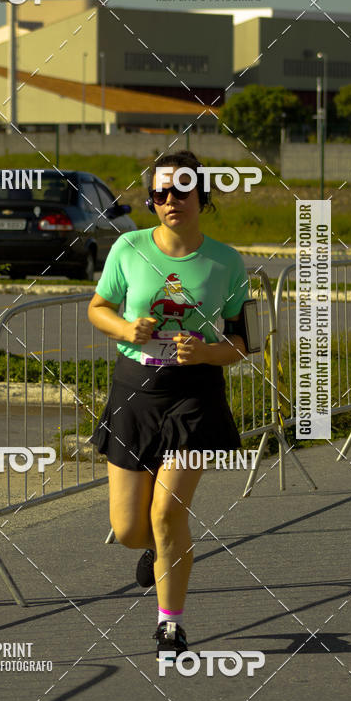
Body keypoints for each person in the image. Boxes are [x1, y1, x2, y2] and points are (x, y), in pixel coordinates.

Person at [87, 151, 250, 659]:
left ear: (203, 195)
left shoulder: (226, 261)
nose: (170, 201)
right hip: (134, 390)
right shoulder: (129, 247)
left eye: (181, 190)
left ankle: (170, 627)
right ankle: (157, 552)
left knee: (167, 513)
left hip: (195, 395)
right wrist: (124, 328)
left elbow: (243, 342)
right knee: (130, 529)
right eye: (159, 193)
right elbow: (98, 308)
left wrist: (207, 352)